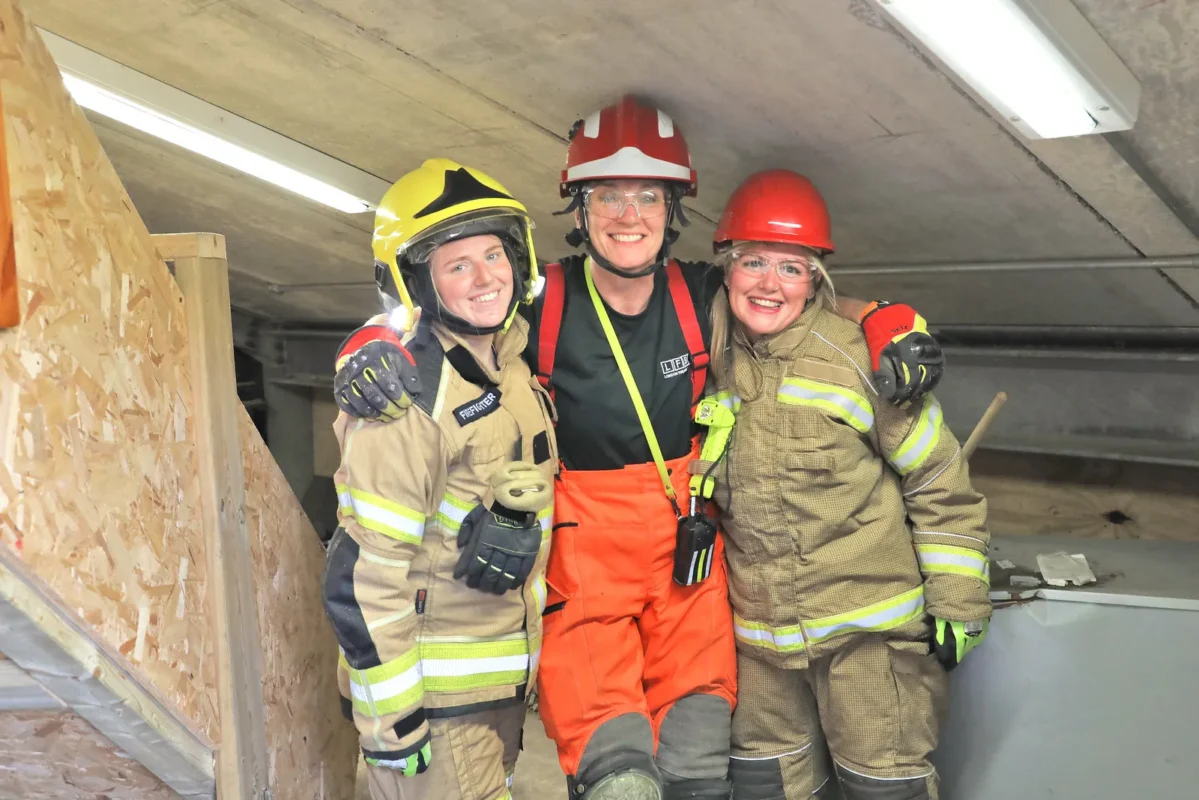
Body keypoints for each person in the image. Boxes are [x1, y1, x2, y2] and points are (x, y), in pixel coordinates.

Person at [329, 96, 949, 800]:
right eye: (608, 196)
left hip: (687, 560)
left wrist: (890, 319)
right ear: (579, 211)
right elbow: (435, 317)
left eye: (647, 196)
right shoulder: (538, 297)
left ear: (672, 208)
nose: (629, 216)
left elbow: (800, 293)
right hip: (582, 557)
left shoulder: (702, 291)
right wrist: (367, 343)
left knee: (697, 766)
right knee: (616, 775)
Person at [701, 169, 991, 800]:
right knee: (764, 788)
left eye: (792, 267)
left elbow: (938, 476)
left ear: (816, 281)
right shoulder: (710, 359)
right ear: (726, 269)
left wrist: (958, 597)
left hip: (869, 643)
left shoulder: (859, 360)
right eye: (754, 261)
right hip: (758, 650)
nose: (769, 284)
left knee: (881, 788)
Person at [321, 158, 559, 800]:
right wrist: (395, 728)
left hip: (494, 691)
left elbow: (512, 471)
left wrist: (507, 519)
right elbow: (362, 580)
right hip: (432, 712)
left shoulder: (509, 363)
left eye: (493, 254)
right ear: (416, 282)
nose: (486, 278)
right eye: (457, 265)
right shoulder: (405, 400)